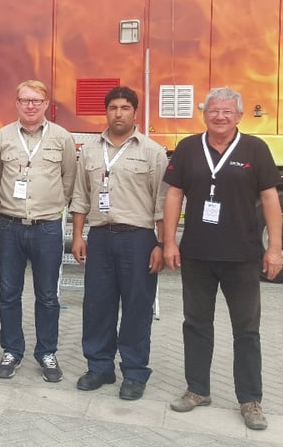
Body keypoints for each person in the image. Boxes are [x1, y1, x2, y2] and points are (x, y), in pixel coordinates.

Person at [163, 87, 283, 430]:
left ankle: (250, 399)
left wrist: (274, 248)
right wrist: (169, 241)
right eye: (214, 110)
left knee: (246, 330)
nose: (220, 117)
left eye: (227, 112)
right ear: (204, 114)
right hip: (197, 254)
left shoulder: (255, 149)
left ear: (239, 115)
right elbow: (174, 195)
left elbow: (271, 198)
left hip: (242, 255)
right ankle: (197, 389)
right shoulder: (188, 147)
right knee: (196, 324)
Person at [70, 86, 168, 401]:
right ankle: (99, 367)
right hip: (100, 237)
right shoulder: (89, 149)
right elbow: (81, 197)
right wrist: (77, 236)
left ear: (135, 113)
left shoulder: (152, 151)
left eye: (125, 107)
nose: (119, 113)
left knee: (137, 307)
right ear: (106, 111)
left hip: (139, 239)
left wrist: (162, 244)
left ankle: (135, 373)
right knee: (97, 305)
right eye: (113, 107)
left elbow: (162, 203)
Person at [0, 80, 76, 382]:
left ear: (46, 104)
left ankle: (47, 352)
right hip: (9, 226)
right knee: (8, 294)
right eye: (25, 100)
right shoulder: (2, 137)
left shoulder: (62, 138)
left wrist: (51, 205)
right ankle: (12, 350)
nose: (30, 106)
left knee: (48, 295)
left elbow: (69, 179)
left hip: (47, 227)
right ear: (16, 103)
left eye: (36, 101)